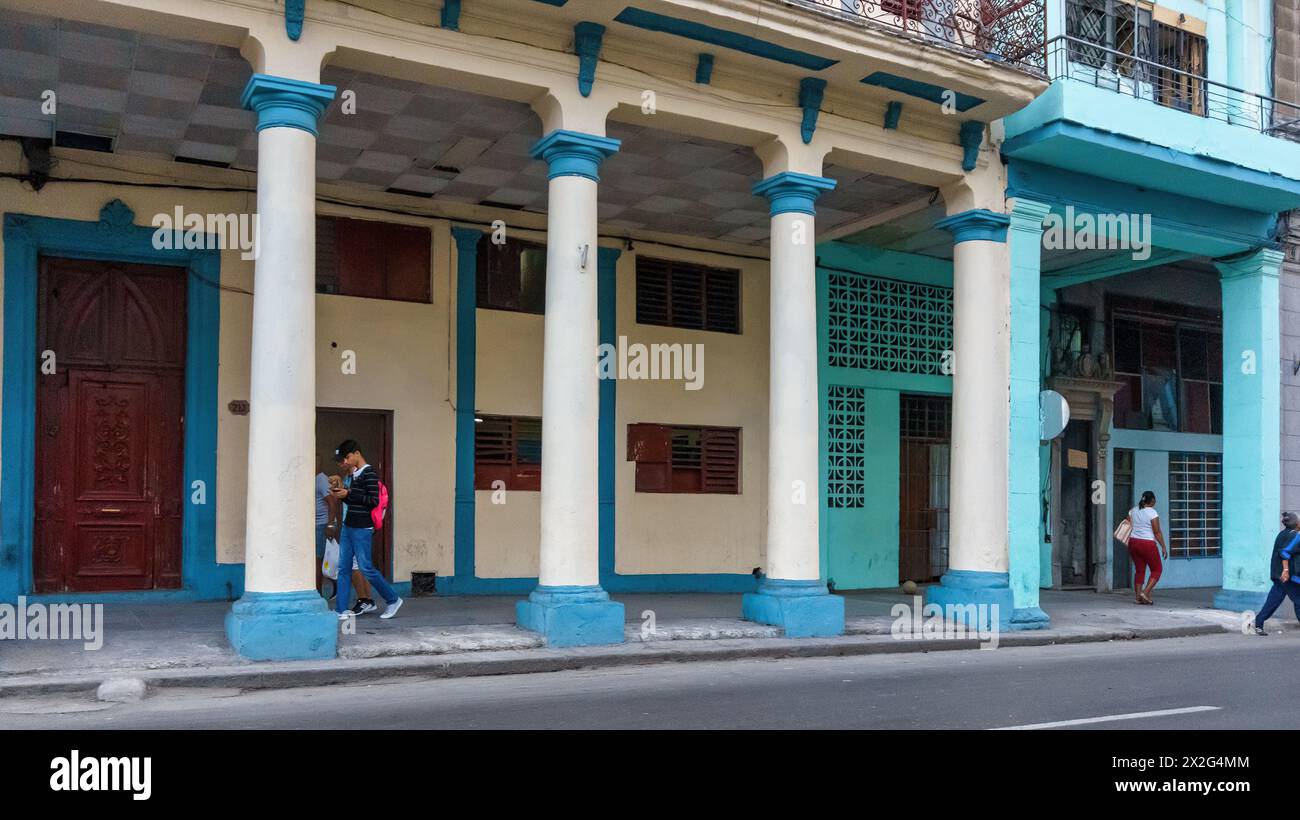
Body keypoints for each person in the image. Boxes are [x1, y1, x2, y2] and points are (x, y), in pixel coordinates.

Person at [331, 439, 402, 620]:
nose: (345, 462)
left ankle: (393, 599)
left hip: (362, 527)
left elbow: (373, 501)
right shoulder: (355, 474)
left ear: (356, 453)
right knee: (344, 568)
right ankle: (340, 610)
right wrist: (342, 495)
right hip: (349, 525)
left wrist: (349, 494)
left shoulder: (369, 473)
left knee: (366, 568)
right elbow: (355, 500)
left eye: (346, 457)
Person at [1251, 511, 1300, 636]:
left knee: (1274, 600)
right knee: (1298, 600)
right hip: (1286, 576)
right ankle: (1258, 623)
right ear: (1296, 523)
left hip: (1278, 574)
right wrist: (1286, 571)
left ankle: (1258, 623)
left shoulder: (1282, 534)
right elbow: (1284, 553)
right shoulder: (1294, 535)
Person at [1124, 490, 1167, 605]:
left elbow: (1127, 524)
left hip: (1133, 543)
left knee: (1139, 570)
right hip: (1147, 544)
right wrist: (1163, 546)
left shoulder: (1133, 510)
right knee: (1157, 569)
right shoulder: (1152, 512)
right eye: (1155, 500)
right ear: (1152, 500)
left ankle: (1138, 598)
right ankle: (1145, 592)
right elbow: (1157, 532)